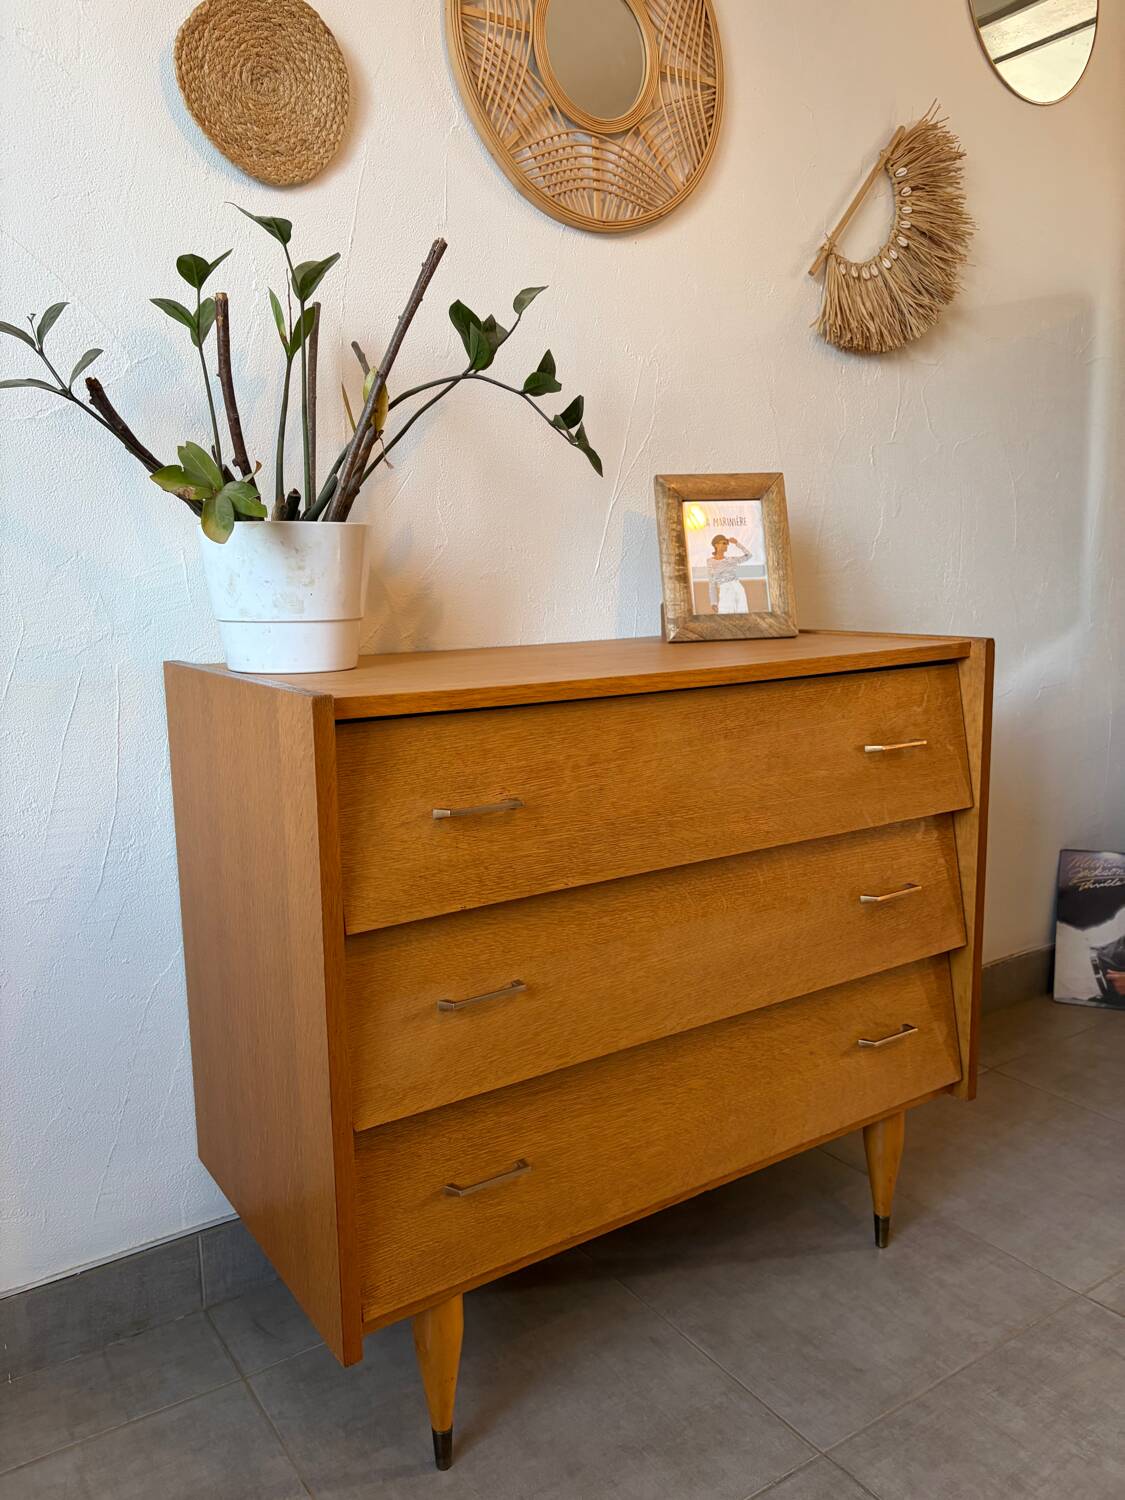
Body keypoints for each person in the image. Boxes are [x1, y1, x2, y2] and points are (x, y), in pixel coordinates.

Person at [706, 534, 750, 614]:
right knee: (725, 617)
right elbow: (712, 583)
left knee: (742, 616)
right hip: (725, 590)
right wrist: (713, 602)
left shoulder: (731, 560)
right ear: (716, 545)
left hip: (738, 588)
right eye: (723, 543)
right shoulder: (710, 562)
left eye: (727, 544)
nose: (726, 545)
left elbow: (749, 555)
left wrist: (737, 543)